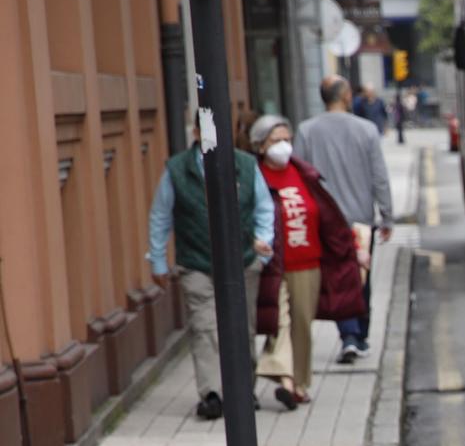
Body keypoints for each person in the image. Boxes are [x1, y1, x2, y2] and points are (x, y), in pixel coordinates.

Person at [146, 137, 275, 419]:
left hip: (242, 261)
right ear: (196, 129)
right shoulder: (177, 170)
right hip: (196, 263)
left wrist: (263, 247)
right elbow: (160, 215)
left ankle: (243, 391)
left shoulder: (246, 165)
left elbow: (264, 207)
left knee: (243, 327)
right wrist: (157, 260)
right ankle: (213, 393)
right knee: (205, 327)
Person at [246, 113, 367, 409]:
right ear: (261, 146)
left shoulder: (303, 173)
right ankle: (285, 380)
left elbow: (328, 216)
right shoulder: (253, 177)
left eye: (287, 140)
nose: (284, 146)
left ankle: (299, 383)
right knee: (280, 321)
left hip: (308, 264)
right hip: (273, 264)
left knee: (301, 324)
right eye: (277, 141)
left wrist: (352, 247)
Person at [296, 76, 394, 363]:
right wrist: (387, 215)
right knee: (361, 275)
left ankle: (350, 334)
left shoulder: (307, 130)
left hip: (325, 220)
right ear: (348, 95)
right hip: (361, 220)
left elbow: (299, 176)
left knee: (338, 276)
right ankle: (358, 334)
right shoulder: (366, 130)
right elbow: (380, 177)